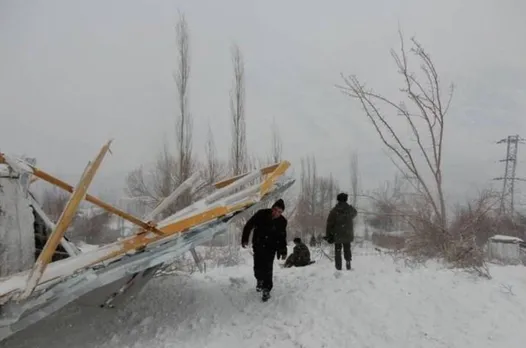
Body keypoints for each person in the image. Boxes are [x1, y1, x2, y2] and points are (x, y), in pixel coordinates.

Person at [241, 199, 288, 302]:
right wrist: (245, 239)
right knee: (258, 266)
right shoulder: (261, 214)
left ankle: (266, 289)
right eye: (276, 210)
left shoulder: (282, 221)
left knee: (268, 268)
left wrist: (283, 249)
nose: (277, 213)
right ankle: (259, 280)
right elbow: (249, 225)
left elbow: (282, 236)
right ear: (272, 208)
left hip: (271, 247)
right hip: (258, 245)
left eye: (280, 212)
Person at [325, 193, 357, 270]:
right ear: (346, 199)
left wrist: (328, 235)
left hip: (337, 234)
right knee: (347, 249)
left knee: (338, 251)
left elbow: (329, 224)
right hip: (347, 234)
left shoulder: (334, 211)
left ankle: (338, 266)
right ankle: (348, 262)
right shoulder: (349, 209)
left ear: (338, 200)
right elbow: (355, 213)